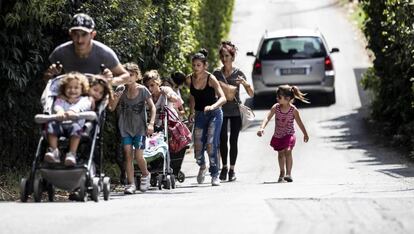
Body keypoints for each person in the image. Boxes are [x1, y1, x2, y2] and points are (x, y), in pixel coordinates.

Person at [108, 65, 156, 194]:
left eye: (131, 75)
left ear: (137, 76)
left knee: (138, 156)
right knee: (128, 155)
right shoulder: (120, 89)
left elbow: (152, 107)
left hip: (140, 128)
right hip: (125, 128)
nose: (128, 78)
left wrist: (151, 124)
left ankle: (145, 174)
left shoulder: (143, 90)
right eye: (125, 75)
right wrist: (116, 97)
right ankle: (131, 184)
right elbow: (111, 108)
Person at [43, 13, 129, 85]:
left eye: (84, 34)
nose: (79, 40)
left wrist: (110, 81)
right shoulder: (60, 52)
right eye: (76, 34)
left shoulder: (104, 53)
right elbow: (46, 79)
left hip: (96, 99)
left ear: (93, 34)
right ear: (70, 33)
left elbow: (125, 76)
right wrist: (51, 75)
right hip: (69, 97)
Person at [213, 41, 254, 182]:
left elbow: (251, 94)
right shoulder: (217, 74)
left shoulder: (239, 74)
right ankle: (223, 168)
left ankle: (232, 169)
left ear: (232, 57)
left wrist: (245, 84)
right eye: (222, 56)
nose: (224, 59)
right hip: (221, 111)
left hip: (236, 111)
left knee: (233, 140)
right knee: (223, 140)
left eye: (227, 56)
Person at [186, 48, 227, 186]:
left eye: (199, 65)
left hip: (214, 114)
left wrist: (213, 106)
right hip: (199, 115)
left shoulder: (211, 78)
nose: (196, 68)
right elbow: (192, 96)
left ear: (205, 66)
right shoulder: (189, 79)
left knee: (211, 143)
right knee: (197, 149)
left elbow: (223, 98)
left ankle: (215, 174)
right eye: (194, 65)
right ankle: (202, 166)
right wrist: (191, 112)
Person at [256, 85, 309, 183]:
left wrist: (305, 134)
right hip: (278, 135)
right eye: (277, 96)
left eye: (279, 97)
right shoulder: (276, 107)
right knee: (280, 154)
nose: (277, 98)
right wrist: (262, 128)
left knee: (288, 151)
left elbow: (299, 122)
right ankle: (282, 172)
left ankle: (288, 173)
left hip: (289, 134)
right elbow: (267, 117)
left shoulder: (293, 110)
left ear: (288, 98)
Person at [44, 72, 92, 166]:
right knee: (50, 125)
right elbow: (57, 106)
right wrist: (60, 111)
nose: (72, 90)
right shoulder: (61, 99)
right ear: (64, 89)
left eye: (76, 88)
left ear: (82, 89)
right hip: (60, 125)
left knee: (76, 128)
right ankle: (54, 151)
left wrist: (73, 111)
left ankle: (72, 154)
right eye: (69, 87)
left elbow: (83, 106)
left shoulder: (84, 100)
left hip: (76, 126)